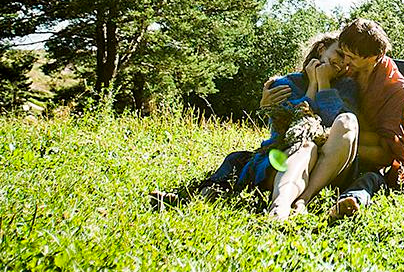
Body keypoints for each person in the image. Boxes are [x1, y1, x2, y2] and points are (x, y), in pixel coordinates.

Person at [148, 32, 357, 214]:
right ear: (321, 49)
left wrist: (324, 83)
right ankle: (194, 198)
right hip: (283, 155)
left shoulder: (346, 88)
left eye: (347, 62)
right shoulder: (285, 84)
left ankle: (293, 202)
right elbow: (292, 124)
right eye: (338, 54)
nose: (342, 64)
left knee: (308, 147)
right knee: (237, 159)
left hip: (322, 164)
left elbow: (335, 124)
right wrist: (313, 83)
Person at [294, 18, 404, 220]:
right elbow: (307, 88)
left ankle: (350, 202)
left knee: (370, 180)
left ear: (376, 57)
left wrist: (337, 145)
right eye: (344, 54)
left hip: (361, 160)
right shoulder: (344, 69)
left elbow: (386, 154)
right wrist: (270, 97)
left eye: (352, 58)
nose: (345, 62)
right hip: (319, 144)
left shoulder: (396, 91)